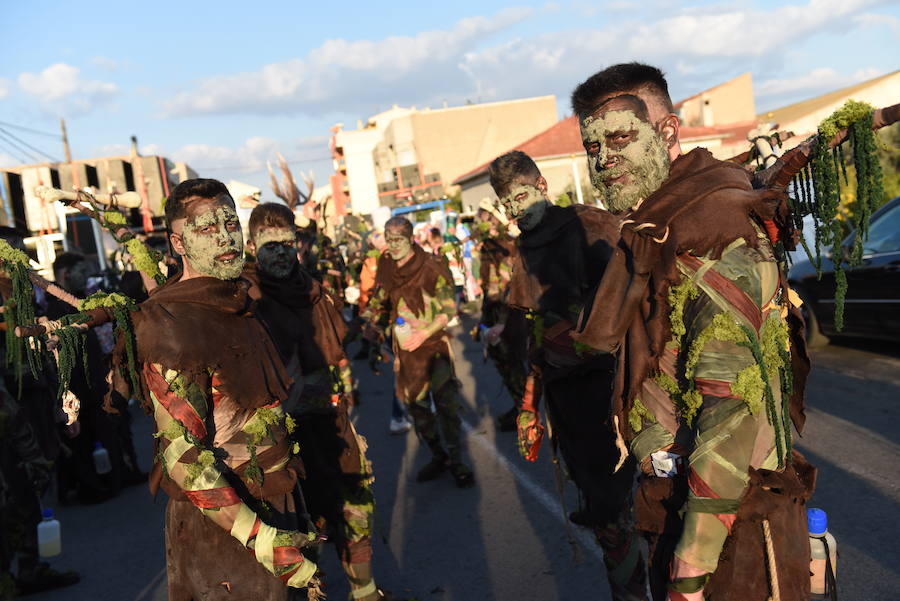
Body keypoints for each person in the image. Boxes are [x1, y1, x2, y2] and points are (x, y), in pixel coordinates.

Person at [571, 63, 814, 601]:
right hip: (677, 506)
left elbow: (732, 413)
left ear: (668, 132)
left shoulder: (710, 230)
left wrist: (690, 576)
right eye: (593, 146)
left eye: (620, 138)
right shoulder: (657, 223)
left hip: (731, 532)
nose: (605, 160)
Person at [116, 179, 321, 600]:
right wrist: (262, 539)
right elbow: (182, 456)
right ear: (178, 242)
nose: (226, 238)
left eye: (230, 224)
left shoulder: (235, 300)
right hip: (226, 530)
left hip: (276, 499)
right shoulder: (170, 323)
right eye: (207, 228)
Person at [490, 151, 647, 601]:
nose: (516, 211)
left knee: (624, 512)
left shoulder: (591, 226)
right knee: (603, 511)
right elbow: (537, 334)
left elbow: (635, 308)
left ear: (542, 186)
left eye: (521, 197)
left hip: (612, 393)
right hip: (567, 400)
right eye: (507, 204)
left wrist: (582, 339)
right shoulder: (528, 244)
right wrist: (529, 403)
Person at [243, 203, 395, 601]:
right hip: (282, 437)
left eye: (286, 243)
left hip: (331, 421)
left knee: (355, 511)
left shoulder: (312, 289)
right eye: (270, 245)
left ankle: (366, 593)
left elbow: (336, 348)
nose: (280, 253)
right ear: (251, 246)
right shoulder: (244, 298)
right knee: (300, 530)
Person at [361, 216, 474, 488]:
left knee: (446, 404)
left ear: (411, 239)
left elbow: (449, 309)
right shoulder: (387, 267)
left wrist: (424, 332)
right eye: (389, 240)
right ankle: (438, 455)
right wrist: (371, 324)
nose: (393, 245)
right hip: (407, 351)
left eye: (398, 240)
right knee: (417, 408)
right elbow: (380, 302)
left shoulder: (431, 266)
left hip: (434, 347)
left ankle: (457, 461)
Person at [473, 199, 528, 432]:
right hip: (494, 313)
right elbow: (491, 288)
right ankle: (520, 406)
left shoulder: (507, 246)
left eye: (484, 216)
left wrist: (502, 324)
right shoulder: (488, 247)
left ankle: (526, 412)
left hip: (509, 315)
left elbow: (509, 289)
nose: (480, 221)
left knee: (513, 363)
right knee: (504, 364)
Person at [358, 228, 412, 435]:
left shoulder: (392, 260)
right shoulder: (380, 263)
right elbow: (371, 296)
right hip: (395, 325)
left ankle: (417, 407)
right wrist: (368, 320)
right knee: (405, 368)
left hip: (401, 323)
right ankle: (398, 416)